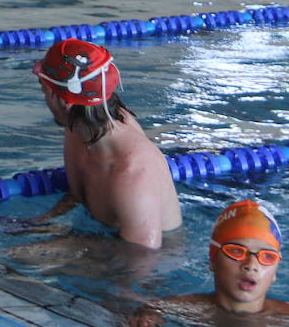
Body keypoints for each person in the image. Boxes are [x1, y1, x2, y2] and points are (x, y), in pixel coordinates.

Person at [33, 39, 182, 249]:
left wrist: (64, 248)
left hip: (155, 258)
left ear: (65, 102)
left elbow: (142, 264)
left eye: (44, 91)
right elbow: (76, 196)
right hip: (109, 240)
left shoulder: (132, 174)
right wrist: (42, 222)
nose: (45, 99)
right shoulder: (78, 128)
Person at [128, 200, 289, 327]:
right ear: (213, 260)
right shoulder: (182, 309)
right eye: (236, 251)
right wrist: (147, 315)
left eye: (267, 256)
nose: (251, 265)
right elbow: (150, 308)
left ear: (275, 272)